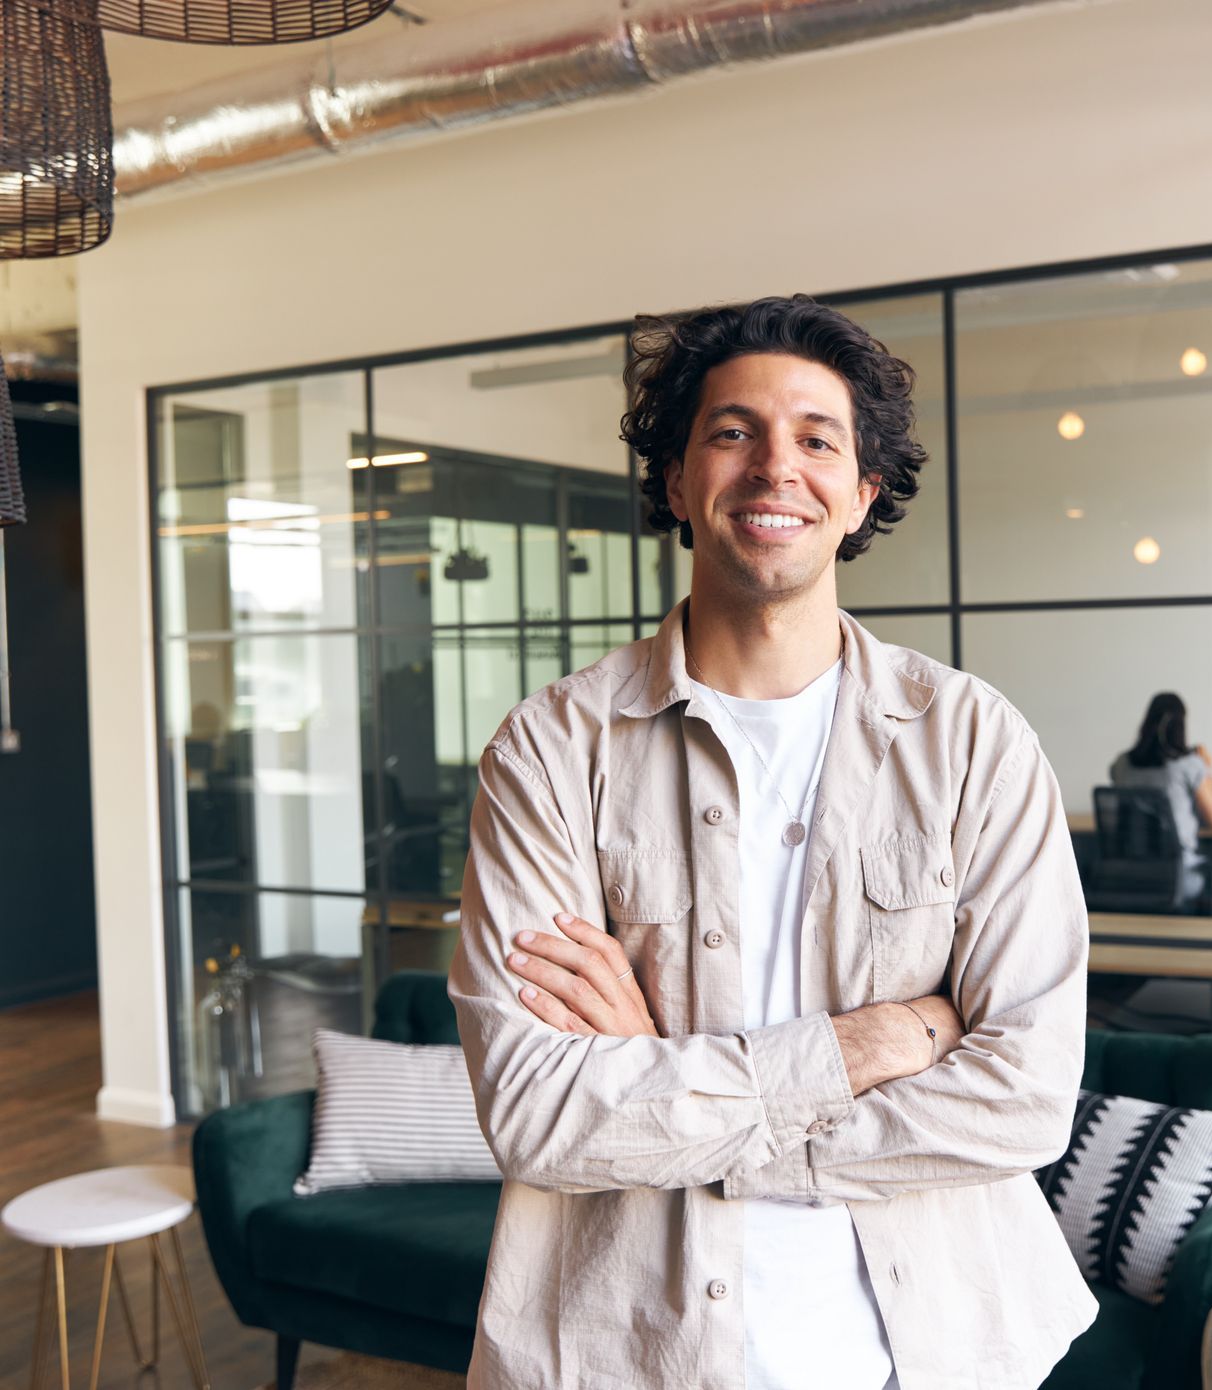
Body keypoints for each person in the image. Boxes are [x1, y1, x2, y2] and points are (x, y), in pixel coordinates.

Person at [449, 295, 1095, 1390]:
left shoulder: (973, 740)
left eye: (816, 439)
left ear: (861, 495)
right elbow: (537, 1112)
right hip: (625, 1356)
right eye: (733, 431)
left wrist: (662, 1080)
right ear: (675, 479)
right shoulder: (552, 749)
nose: (773, 468)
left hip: (932, 1351)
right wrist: (864, 1045)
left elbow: (1028, 1092)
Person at [1107, 691, 1212, 908]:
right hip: (1178, 874)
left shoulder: (1121, 765)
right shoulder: (1189, 765)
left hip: (1130, 872)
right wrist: (1207, 769)